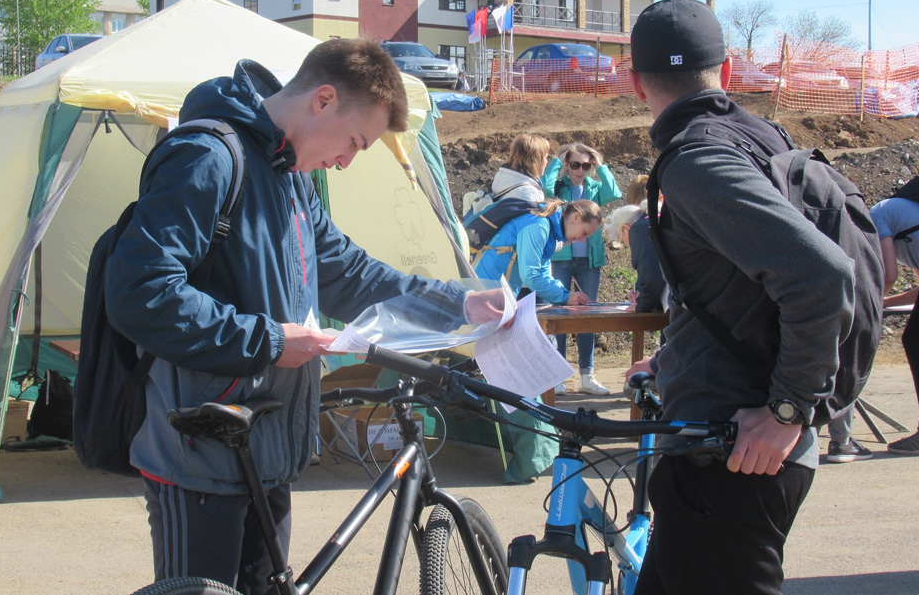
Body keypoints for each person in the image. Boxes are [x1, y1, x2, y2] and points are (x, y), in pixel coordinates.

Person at [103, 38, 503, 593]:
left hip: (266, 451)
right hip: (197, 454)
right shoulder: (209, 157)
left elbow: (348, 272)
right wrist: (268, 340)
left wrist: (459, 302)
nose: (345, 161)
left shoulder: (290, 175)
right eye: (354, 142)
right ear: (322, 100)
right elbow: (137, 291)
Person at [624, 0, 856, 594]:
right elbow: (737, 291)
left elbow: (823, 274)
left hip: (732, 454)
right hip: (733, 448)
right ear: (725, 73)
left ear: (634, 81)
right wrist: (673, 357)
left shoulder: (698, 160)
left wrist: (787, 410)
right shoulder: (759, 139)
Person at [540, 142, 623, 395]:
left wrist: (601, 165)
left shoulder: (595, 188)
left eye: (586, 165)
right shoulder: (559, 187)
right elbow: (543, 187)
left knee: (588, 315)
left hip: (589, 260)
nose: (580, 169)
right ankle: (560, 376)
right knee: (560, 315)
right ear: (568, 164)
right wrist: (557, 160)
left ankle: (587, 376)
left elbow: (614, 192)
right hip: (561, 258)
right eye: (575, 164)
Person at [869, 195, 919, 455]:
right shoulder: (903, 216)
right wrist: (884, 302)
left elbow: (888, 276)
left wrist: (868, 302)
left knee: (916, 340)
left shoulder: (876, 215)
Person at [473, 199, 601, 307]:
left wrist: (567, 296)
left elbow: (542, 274)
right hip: (484, 291)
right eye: (584, 233)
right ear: (576, 217)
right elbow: (530, 275)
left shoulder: (549, 231)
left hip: (498, 294)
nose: (582, 240)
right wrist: (565, 298)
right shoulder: (538, 226)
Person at [601, 202, 665, 314]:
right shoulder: (657, 223)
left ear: (626, 228)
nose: (627, 245)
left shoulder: (639, 230)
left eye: (622, 239)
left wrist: (641, 306)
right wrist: (640, 291)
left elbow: (652, 279)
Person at [490, 133, 553, 203]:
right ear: (535, 160)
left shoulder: (503, 181)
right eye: (545, 157)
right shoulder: (529, 195)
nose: (547, 161)